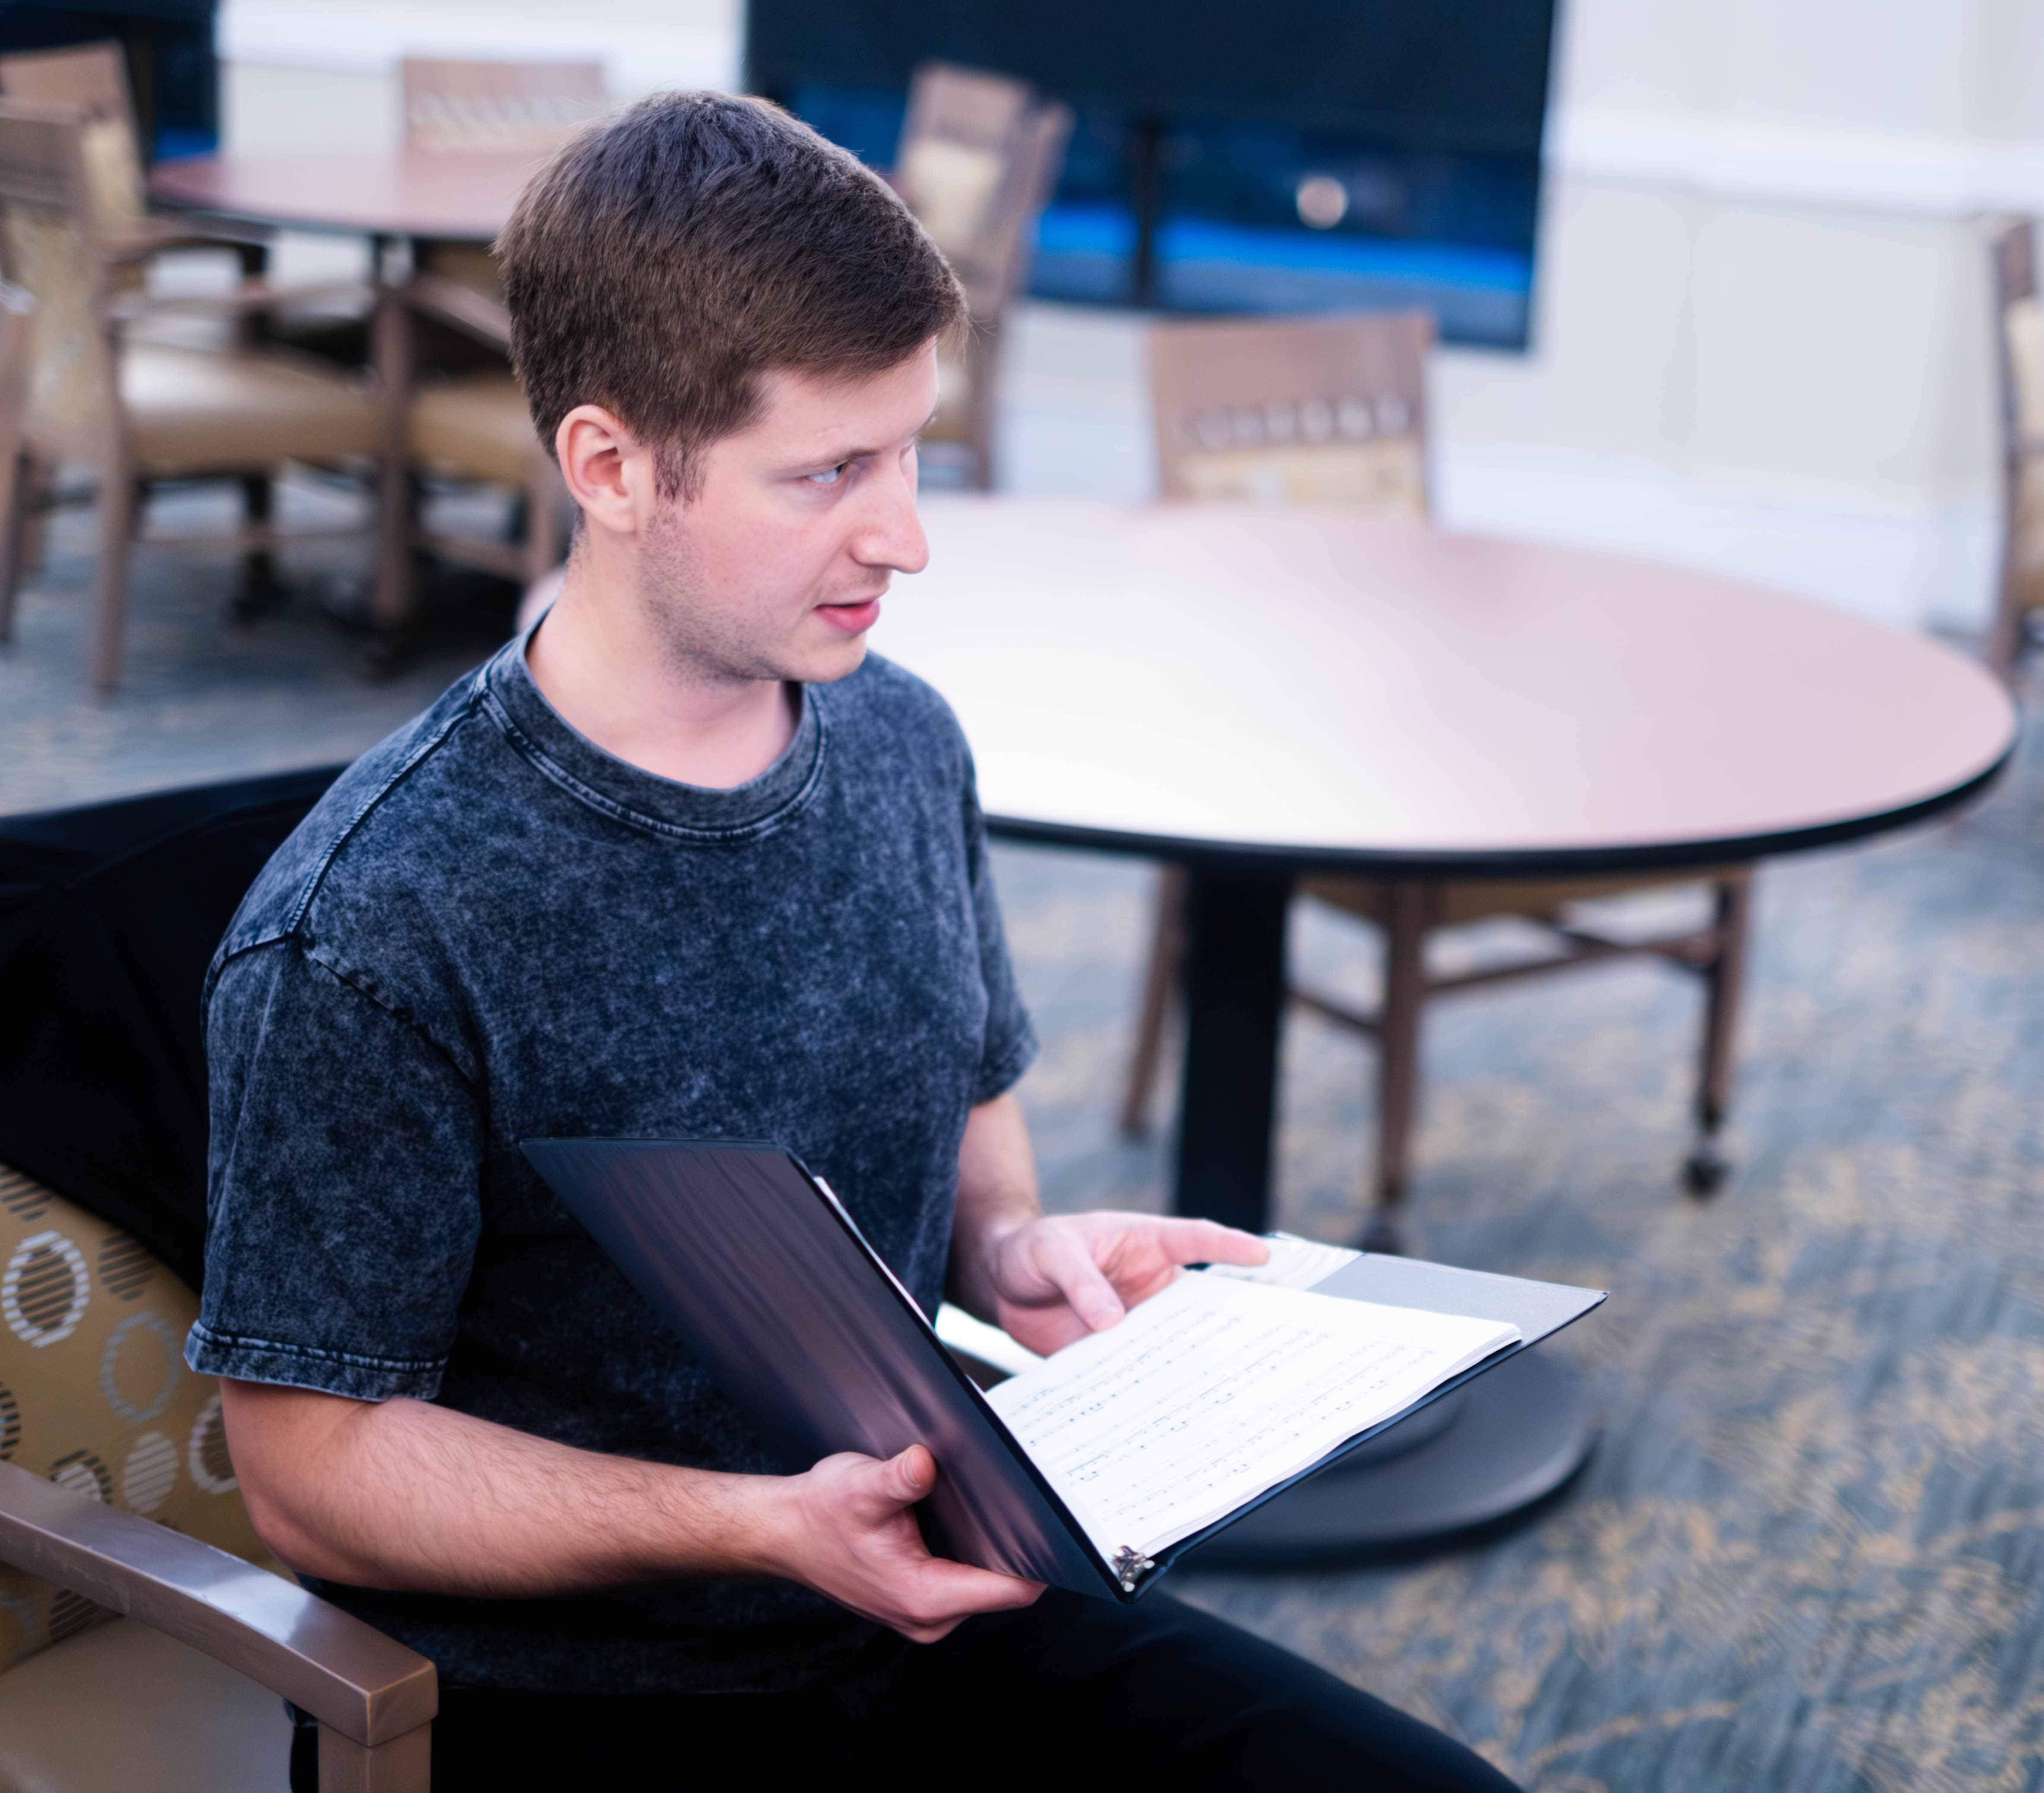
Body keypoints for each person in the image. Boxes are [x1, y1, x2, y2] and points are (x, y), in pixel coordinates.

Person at [189, 91, 1520, 1793]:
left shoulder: (899, 740)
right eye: (828, 471)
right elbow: (308, 1469)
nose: (903, 534)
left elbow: (964, 1109)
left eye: (905, 452)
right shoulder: (373, 919)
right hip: (579, 1700)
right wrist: (756, 1526)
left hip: (927, 1598)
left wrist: (1014, 1244)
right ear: (609, 466)